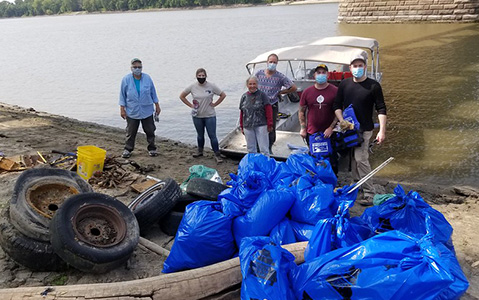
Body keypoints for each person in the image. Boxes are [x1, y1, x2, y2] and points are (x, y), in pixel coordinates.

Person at [333, 51, 387, 206]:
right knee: (353, 159)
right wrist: (342, 121)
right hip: (348, 129)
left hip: (365, 129)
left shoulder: (373, 86)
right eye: (355, 66)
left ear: (365, 67)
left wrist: (382, 130)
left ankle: (369, 192)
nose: (357, 68)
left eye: (360, 65)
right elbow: (337, 105)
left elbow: (381, 109)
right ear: (350, 68)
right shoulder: (345, 84)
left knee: (361, 159)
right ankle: (356, 185)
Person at [179, 68, 226, 163]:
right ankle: (200, 151)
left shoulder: (211, 86)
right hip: (197, 115)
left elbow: (223, 95)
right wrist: (191, 106)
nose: (201, 77)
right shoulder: (192, 86)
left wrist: (215, 104)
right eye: (199, 76)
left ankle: (217, 154)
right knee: (200, 135)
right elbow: (182, 96)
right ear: (196, 76)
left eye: (203, 76)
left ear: (206, 76)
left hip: (210, 115)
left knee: (212, 135)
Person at [299, 64, 338, 173]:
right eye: (318, 73)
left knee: (332, 158)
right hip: (312, 132)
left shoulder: (335, 91)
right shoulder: (307, 92)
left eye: (323, 72)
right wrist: (303, 128)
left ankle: (333, 181)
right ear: (314, 75)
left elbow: (339, 111)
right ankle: (316, 180)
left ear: (328, 74)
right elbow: (302, 111)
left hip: (330, 132)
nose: (321, 75)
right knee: (314, 157)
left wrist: (331, 128)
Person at [119, 58, 161, 158]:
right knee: (131, 131)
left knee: (150, 130)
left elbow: (153, 92)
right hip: (132, 110)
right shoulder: (126, 79)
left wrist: (157, 105)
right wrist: (122, 109)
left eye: (139, 67)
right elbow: (122, 95)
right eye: (135, 67)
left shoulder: (147, 78)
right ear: (131, 68)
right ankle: (128, 149)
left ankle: (152, 148)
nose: (137, 69)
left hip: (146, 110)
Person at [255, 53, 297, 153]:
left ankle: (269, 147)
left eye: (274, 62)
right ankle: (258, 147)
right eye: (271, 62)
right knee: (258, 126)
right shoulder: (259, 73)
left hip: (272, 105)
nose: (272, 64)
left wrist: (281, 92)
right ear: (267, 62)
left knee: (271, 127)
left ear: (277, 63)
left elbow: (293, 87)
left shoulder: (280, 77)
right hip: (259, 105)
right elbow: (253, 85)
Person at [239, 76, 273, 156]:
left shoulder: (262, 95)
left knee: (264, 149)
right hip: (247, 126)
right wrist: (242, 126)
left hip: (261, 125)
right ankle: (253, 164)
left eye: (254, 84)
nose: (252, 86)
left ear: (257, 85)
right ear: (247, 85)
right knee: (251, 148)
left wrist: (270, 124)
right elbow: (242, 112)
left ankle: (265, 165)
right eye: (250, 84)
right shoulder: (244, 96)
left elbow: (268, 110)